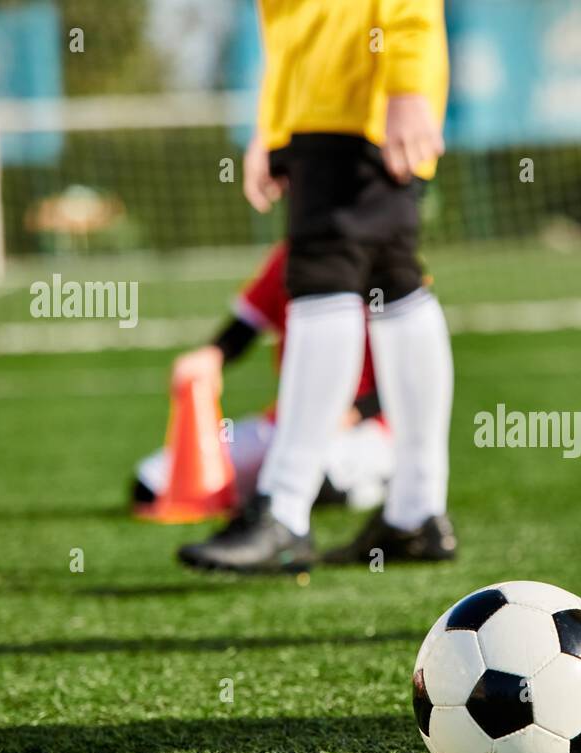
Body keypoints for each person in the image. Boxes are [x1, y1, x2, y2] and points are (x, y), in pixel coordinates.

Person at [179, 0, 456, 573]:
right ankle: (414, 514)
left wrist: (406, 85)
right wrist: (276, 128)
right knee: (392, 279)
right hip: (328, 102)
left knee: (325, 277)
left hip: (355, 96)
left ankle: (284, 510)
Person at [131, 242, 394, 515]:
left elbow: (407, 373)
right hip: (288, 424)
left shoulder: (385, 259)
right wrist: (212, 354)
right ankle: (264, 490)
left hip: (368, 428)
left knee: (316, 476)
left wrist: (355, 412)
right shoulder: (294, 255)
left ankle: (379, 484)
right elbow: (247, 324)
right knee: (151, 482)